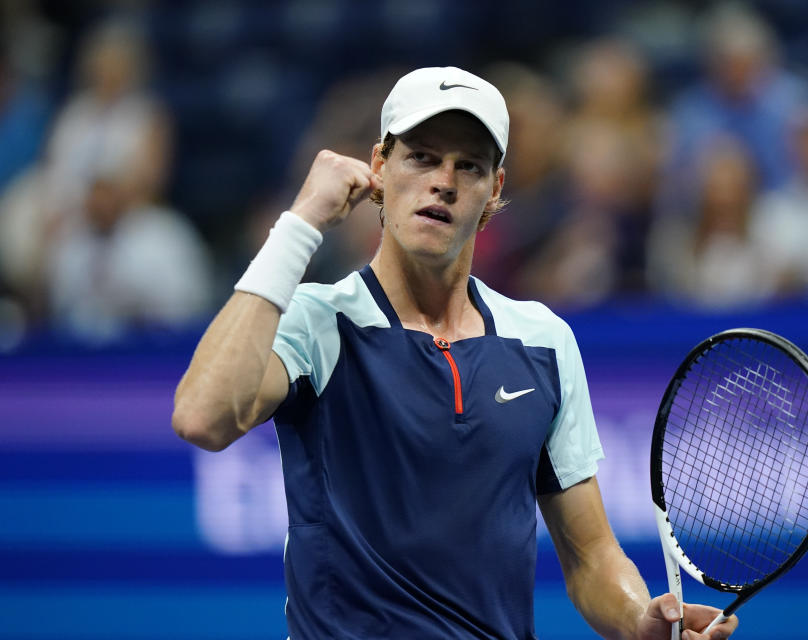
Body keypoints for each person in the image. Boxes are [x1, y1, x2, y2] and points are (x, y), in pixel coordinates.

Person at [173, 66, 738, 640]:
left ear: (494, 190)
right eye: (421, 157)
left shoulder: (542, 340)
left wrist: (640, 621)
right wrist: (300, 224)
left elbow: (592, 556)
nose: (444, 181)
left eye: (468, 165)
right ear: (379, 166)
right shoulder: (319, 321)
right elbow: (202, 417)